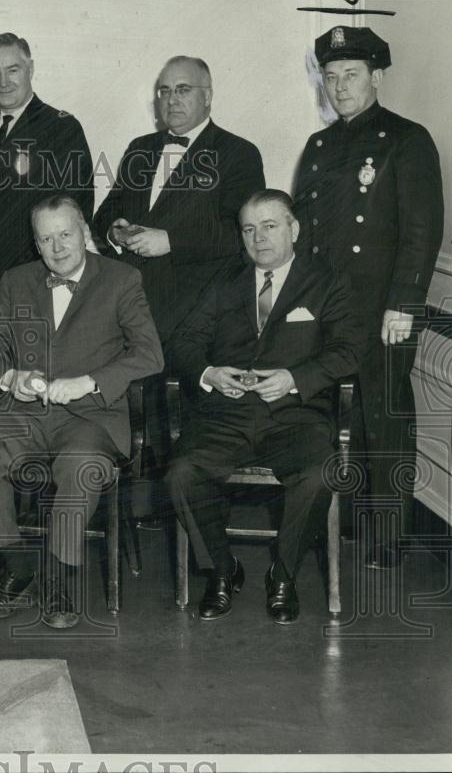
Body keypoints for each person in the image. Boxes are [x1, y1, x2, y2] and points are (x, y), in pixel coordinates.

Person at [0, 195, 163, 629]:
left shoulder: (122, 278)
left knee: (80, 464)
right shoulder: (16, 280)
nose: (57, 246)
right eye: (45, 238)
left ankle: (58, 577)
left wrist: (88, 382)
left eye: (66, 234)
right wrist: (10, 376)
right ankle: (17, 568)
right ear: (35, 243)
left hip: (92, 415)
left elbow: (149, 356)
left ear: (84, 231)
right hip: (26, 413)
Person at [165, 190, 363, 624]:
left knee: (318, 472)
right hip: (227, 414)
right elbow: (184, 341)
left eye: (270, 226)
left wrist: (296, 379)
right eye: (249, 229)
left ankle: (284, 573)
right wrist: (209, 372)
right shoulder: (225, 282)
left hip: (296, 415)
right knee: (182, 473)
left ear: (293, 229)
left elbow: (350, 350)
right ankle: (221, 568)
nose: (259, 238)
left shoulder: (326, 281)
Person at [292, 26, 444, 569]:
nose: (339, 86)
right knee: (322, 414)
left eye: (350, 75)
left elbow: (421, 229)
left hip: (383, 309)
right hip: (325, 308)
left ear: (376, 77)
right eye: (330, 77)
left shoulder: (406, 138)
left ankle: (388, 535)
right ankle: (338, 521)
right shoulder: (319, 146)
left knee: (384, 417)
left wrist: (404, 302)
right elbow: (305, 232)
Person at [93, 56, 265, 524]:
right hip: (133, 311)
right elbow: (104, 212)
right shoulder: (140, 148)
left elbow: (245, 234)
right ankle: (135, 509)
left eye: (183, 89)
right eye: (164, 90)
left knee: (188, 421)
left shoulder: (238, 152)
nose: (172, 99)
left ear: (208, 95)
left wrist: (171, 241)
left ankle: (187, 515)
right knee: (131, 414)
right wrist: (116, 231)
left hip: (197, 312)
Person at [0, 33, 94, 318]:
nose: (4, 82)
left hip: (37, 288)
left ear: (30, 69)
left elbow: (76, 213)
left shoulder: (61, 129)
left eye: (13, 70)